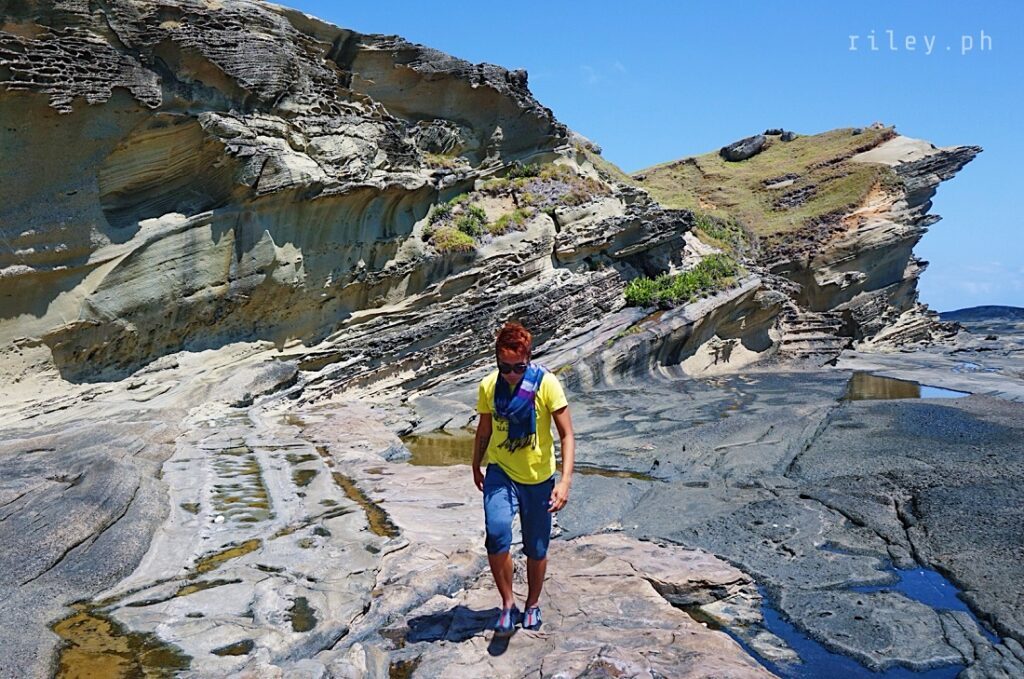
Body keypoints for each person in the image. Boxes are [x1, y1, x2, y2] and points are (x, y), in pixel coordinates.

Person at [473, 321, 575, 636]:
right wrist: (475, 464)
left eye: (519, 367)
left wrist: (565, 480)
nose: (512, 374)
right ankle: (507, 603)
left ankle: (532, 603)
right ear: (497, 361)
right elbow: (485, 429)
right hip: (501, 471)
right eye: (505, 367)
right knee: (498, 533)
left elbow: (567, 434)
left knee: (537, 547)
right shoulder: (489, 386)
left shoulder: (546, 384)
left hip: (538, 477)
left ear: (528, 359)